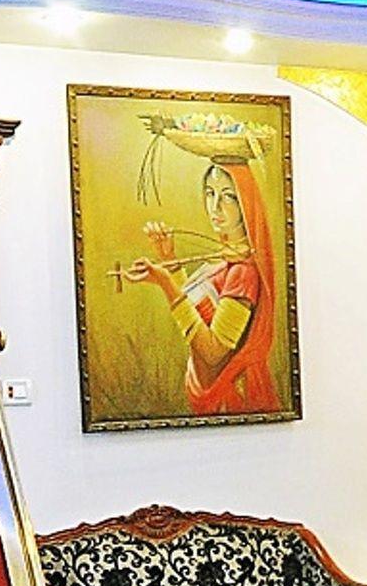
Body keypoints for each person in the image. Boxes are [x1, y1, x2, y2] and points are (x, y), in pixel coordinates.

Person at [113, 145, 285, 417]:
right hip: (214, 394)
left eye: (228, 196)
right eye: (210, 193)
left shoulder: (242, 272)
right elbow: (201, 311)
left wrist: (167, 285)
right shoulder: (225, 261)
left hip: (232, 397)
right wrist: (168, 259)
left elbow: (213, 352)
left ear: (245, 202)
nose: (215, 206)